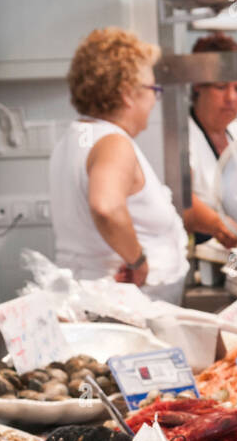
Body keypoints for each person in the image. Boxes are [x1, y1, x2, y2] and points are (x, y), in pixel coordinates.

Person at [49, 27, 188, 303]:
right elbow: (106, 207)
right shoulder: (113, 143)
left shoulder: (72, 140)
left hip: (94, 300)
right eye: (152, 89)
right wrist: (137, 261)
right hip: (123, 307)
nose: (153, 100)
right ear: (127, 94)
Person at [184, 31, 237, 249]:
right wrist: (218, 224)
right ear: (198, 86)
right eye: (221, 87)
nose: (231, 98)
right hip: (200, 256)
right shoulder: (183, 135)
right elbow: (179, 199)